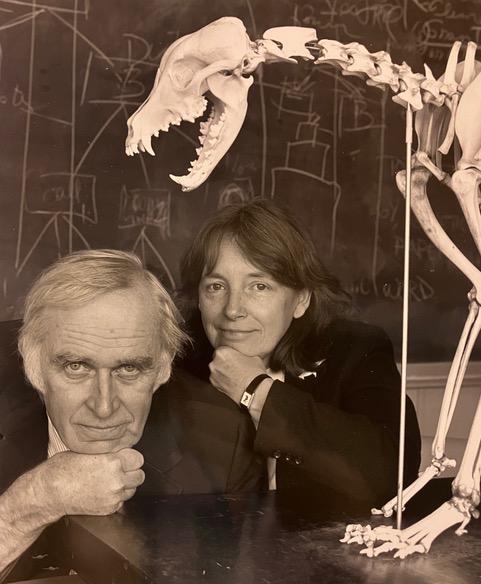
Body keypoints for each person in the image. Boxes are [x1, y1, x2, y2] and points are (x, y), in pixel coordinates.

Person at [0, 249, 263, 578]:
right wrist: (37, 498)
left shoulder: (223, 441)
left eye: (129, 369)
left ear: (163, 367)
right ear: (34, 366)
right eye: (77, 366)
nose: (104, 406)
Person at [178, 199, 422, 511]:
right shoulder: (176, 360)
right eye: (215, 286)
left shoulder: (354, 350)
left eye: (259, 286)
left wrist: (256, 391)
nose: (233, 309)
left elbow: (393, 477)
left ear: (301, 300)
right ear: (198, 297)